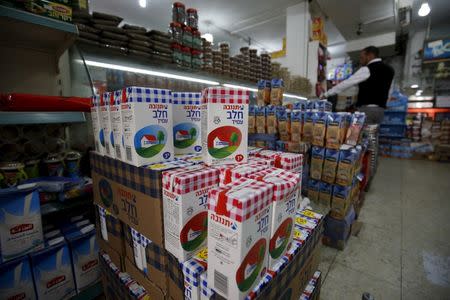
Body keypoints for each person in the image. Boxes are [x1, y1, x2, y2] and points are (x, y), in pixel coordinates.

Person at [322, 46, 395, 124]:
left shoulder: (368, 69)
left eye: (362, 57)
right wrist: (384, 103)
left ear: (370, 55)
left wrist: (326, 94)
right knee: (372, 134)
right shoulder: (390, 70)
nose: (360, 60)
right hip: (380, 111)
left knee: (361, 134)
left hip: (366, 110)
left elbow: (347, 83)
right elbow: (390, 90)